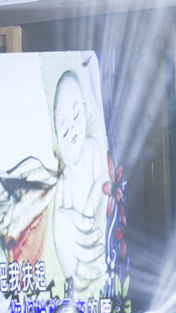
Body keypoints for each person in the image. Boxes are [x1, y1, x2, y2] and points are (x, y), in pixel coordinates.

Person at [52, 70, 108, 296]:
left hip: (94, 234)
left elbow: (100, 184)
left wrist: (87, 213)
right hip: (77, 251)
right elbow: (61, 222)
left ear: (85, 110)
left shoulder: (92, 147)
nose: (73, 130)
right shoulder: (64, 181)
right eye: (65, 131)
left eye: (76, 116)